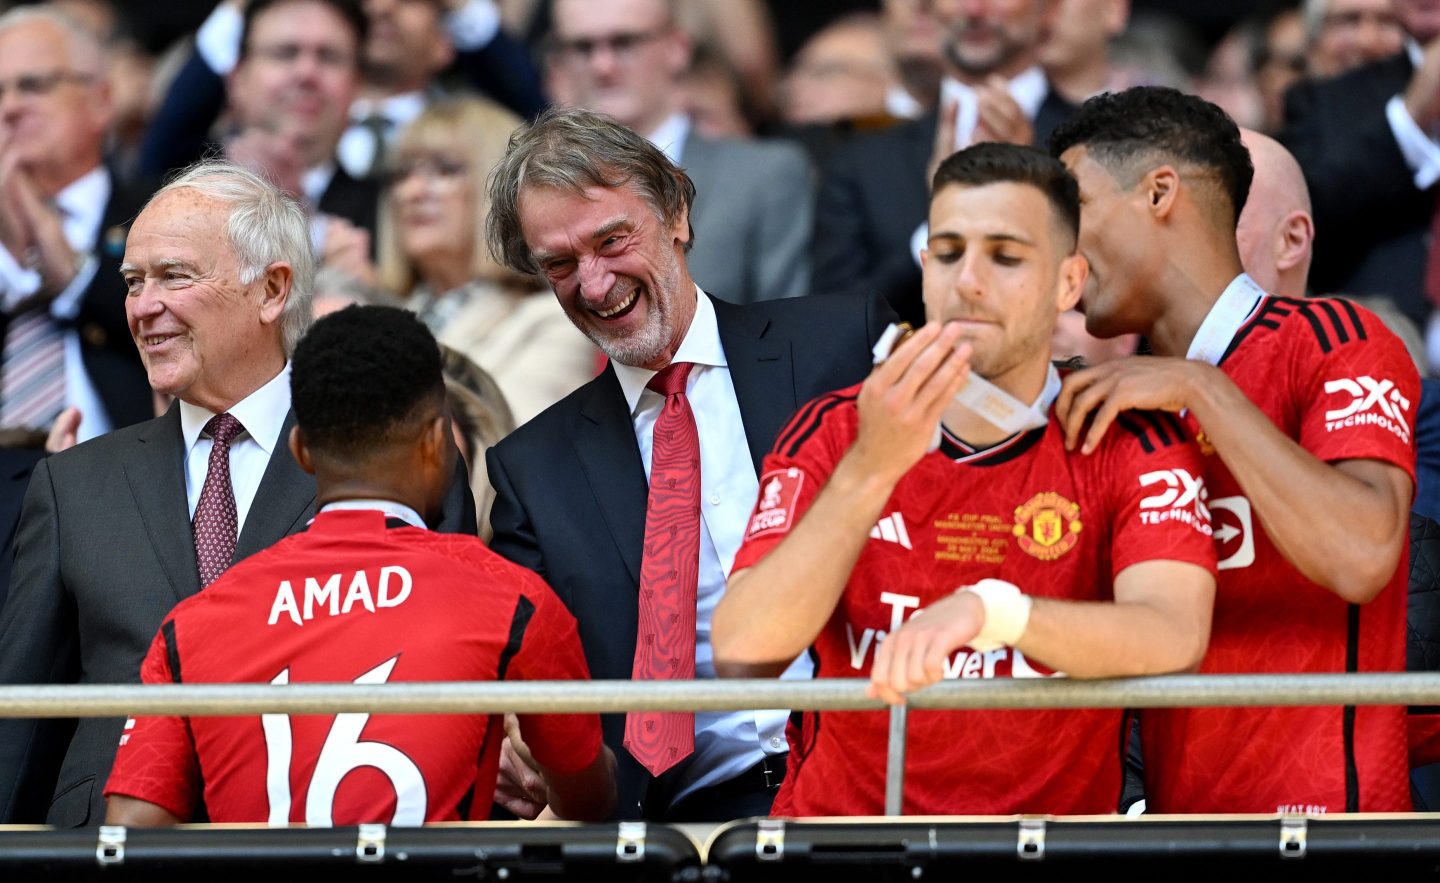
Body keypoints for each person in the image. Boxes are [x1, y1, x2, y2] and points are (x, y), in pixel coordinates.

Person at [712, 142, 1216, 816]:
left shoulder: (1126, 435)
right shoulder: (836, 427)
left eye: (1006, 257)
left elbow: (1172, 634)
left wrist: (995, 612)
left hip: (1040, 853)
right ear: (923, 270)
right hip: (843, 848)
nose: (969, 282)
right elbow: (744, 652)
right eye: (948, 253)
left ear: (1070, 283)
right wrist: (870, 469)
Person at [0, 160, 475, 827]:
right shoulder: (75, 482)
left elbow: (452, 666)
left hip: (315, 837)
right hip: (109, 850)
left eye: (173, 276)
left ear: (272, 288)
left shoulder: (387, 460)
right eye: (134, 282)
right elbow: (21, 721)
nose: (142, 306)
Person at [482, 107, 894, 821]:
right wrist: (517, 733)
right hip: (681, 821)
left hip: (877, 776)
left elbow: (1003, 414)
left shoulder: (839, 342)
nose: (594, 283)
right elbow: (523, 665)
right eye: (559, 264)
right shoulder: (534, 468)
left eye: (613, 240)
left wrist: (1160, 379)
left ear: (675, 209)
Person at [1052, 86, 1419, 813]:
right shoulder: (1099, 397)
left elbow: (1362, 554)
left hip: (1332, 839)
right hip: (1159, 836)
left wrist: (1203, 389)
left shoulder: (1337, 340)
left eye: (1075, 209)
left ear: (1160, 192)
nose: (1061, 245)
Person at [102, 305, 614, 826]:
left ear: (300, 451)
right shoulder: (511, 599)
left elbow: (131, 828)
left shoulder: (193, 623)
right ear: (438, 442)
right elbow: (587, 800)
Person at [813, 0, 1079, 327]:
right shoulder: (860, 162)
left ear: (1050, 9)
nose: (973, 10)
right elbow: (830, 327)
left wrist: (1034, 183)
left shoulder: (1093, 145)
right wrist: (939, 223)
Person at [546, 0, 814, 305]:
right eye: (583, 48)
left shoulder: (763, 175)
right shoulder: (534, 192)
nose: (602, 65)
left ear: (678, 47)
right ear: (558, 63)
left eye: (624, 42)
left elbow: (789, 324)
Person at [142, 0, 545, 184]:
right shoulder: (233, 159)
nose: (382, 6)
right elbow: (159, 158)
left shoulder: (477, 140)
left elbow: (543, 131)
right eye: (286, 53)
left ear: (445, 42)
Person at [375, 97, 596, 425]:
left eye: (445, 169)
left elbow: (503, 452)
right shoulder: (380, 316)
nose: (413, 191)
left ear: (500, 189)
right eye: (403, 174)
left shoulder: (555, 323)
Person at [0, 7, 153, 443]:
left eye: (33, 85)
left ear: (101, 102)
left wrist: (76, 277)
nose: (9, 107)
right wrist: (9, 267)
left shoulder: (158, 209)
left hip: (122, 485)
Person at [1280, 0, 1440, 345]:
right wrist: (1411, 120)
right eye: (1349, 21)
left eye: (1380, 23)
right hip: (1377, 343)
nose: (1367, 40)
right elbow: (1303, 212)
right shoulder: (1325, 100)